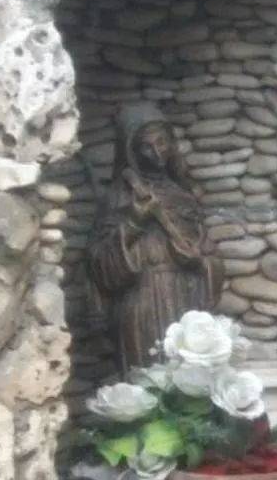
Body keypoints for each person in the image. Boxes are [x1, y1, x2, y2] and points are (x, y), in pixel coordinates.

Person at [87, 103, 226, 371]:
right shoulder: (119, 196)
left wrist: (200, 262)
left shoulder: (183, 196)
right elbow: (98, 262)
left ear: (171, 143)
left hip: (187, 297)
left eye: (161, 142)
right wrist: (135, 222)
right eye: (146, 146)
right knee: (148, 379)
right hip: (143, 301)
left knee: (191, 378)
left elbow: (210, 255)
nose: (156, 152)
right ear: (131, 150)